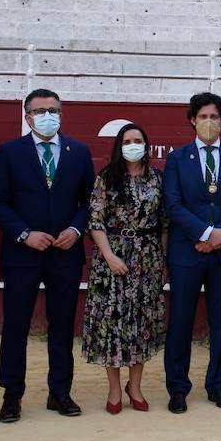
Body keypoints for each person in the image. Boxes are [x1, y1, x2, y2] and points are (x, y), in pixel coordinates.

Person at [0, 88, 95, 423]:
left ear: (61, 114)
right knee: (16, 326)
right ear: (27, 116)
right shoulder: (9, 152)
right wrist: (24, 234)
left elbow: (90, 202)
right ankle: (11, 395)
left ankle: (60, 392)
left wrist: (76, 231)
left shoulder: (78, 151)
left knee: (62, 326)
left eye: (53, 109)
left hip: (65, 252)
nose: (47, 115)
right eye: (39, 110)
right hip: (23, 253)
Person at [162, 92, 221, 413]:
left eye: (215, 117)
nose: (209, 122)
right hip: (188, 252)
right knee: (181, 322)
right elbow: (172, 204)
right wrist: (204, 233)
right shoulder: (176, 159)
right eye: (203, 117)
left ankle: (217, 385)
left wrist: (218, 236)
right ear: (192, 120)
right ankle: (177, 388)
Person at [83, 123, 167, 415]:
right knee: (113, 323)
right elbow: (95, 220)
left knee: (141, 324)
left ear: (146, 144)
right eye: (127, 141)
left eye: (138, 140)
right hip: (112, 259)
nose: (133, 145)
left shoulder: (157, 178)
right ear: (119, 146)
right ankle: (115, 388)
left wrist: (163, 260)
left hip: (147, 259)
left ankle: (136, 385)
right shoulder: (107, 177)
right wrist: (109, 256)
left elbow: (164, 223)